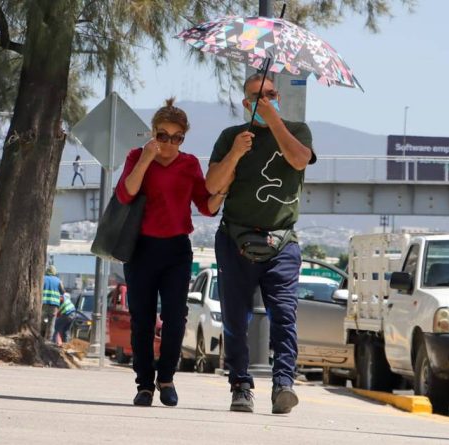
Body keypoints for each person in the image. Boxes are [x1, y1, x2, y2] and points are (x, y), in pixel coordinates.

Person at [205, 73, 316, 415]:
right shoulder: (230, 137)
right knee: (235, 319)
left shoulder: (297, 131)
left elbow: (299, 160)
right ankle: (240, 384)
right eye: (256, 97)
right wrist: (236, 154)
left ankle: (283, 383)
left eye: (269, 94)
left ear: (277, 96)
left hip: (281, 240)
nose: (263, 101)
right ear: (245, 103)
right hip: (235, 239)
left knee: (284, 314)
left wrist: (274, 122)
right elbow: (211, 186)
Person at [116, 98, 225, 407]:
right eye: (163, 136)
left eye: (177, 138)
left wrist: (224, 189)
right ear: (153, 133)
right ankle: (144, 384)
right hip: (141, 248)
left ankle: (166, 378)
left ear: (183, 138)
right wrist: (145, 160)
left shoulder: (189, 164)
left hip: (177, 249)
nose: (169, 143)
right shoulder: (137, 157)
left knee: (176, 317)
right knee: (142, 319)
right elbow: (126, 193)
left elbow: (206, 206)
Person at [42, 265, 65, 342]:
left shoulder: (43, 279)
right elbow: (63, 292)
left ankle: (40, 338)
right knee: (51, 324)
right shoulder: (58, 281)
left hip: (43, 304)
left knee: (42, 322)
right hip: (54, 306)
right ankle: (48, 341)